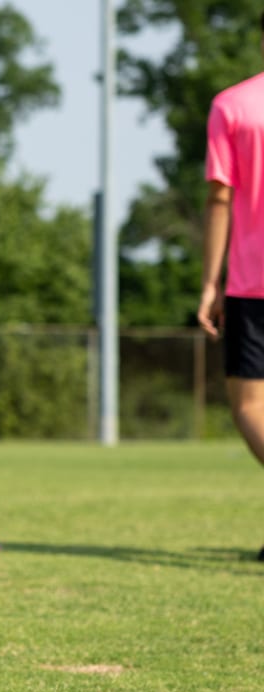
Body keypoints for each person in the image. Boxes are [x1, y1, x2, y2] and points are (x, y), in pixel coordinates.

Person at [197, 10, 264, 558]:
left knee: (250, 407)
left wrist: (209, 282)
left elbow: (220, 199)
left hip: (253, 280)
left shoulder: (235, 105)